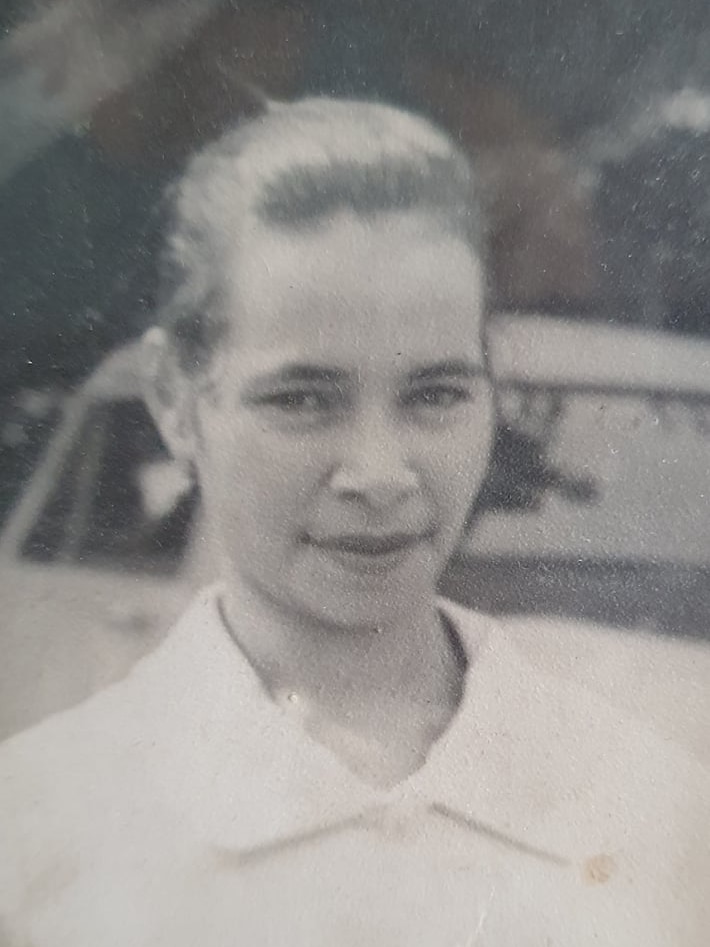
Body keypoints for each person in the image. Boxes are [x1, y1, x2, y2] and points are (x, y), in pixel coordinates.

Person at [0, 97, 707, 946]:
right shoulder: (42, 833)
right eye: (301, 398)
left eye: (436, 393)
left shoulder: (651, 803)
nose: (380, 475)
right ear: (176, 402)